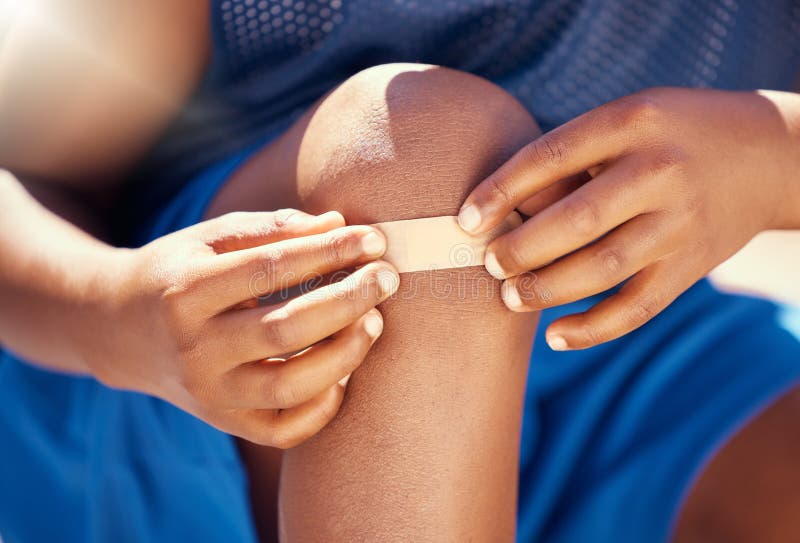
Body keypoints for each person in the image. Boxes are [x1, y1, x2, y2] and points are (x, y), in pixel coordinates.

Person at [1, 1, 799, 542]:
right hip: (199, 368)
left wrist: (770, 154)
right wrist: (113, 313)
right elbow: (26, 164)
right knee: (423, 152)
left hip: (620, 350)